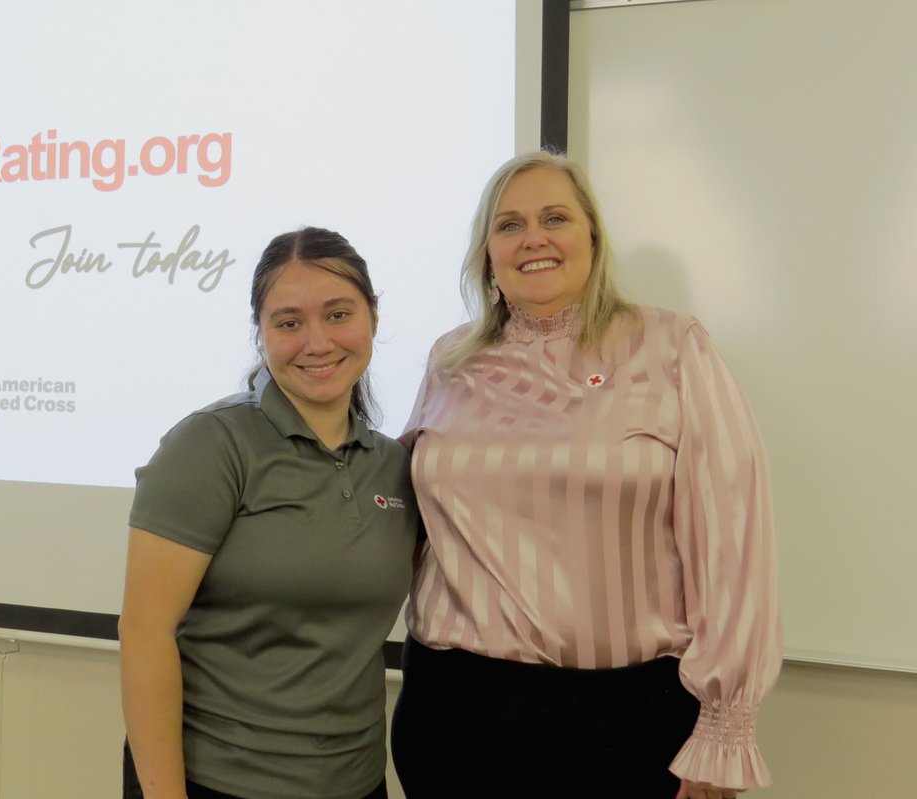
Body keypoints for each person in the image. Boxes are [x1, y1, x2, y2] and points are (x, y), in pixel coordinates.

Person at [389, 151, 783, 799]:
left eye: (554, 217)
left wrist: (724, 728)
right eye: (509, 224)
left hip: (626, 720)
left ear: (593, 239)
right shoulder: (449, 359)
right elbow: (410, 518)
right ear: (488, 253)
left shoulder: (673, 347)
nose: (533, 237)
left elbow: (734, 538)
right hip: (452, 713)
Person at [119, 226, 420, 799]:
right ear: (260, 335)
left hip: (356, 781)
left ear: (373, 319)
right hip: (219, 782)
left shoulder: (395, 466)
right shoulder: (211, 445)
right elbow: (144, 633)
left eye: (338, 314)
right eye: (288, 323)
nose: (316, 341)